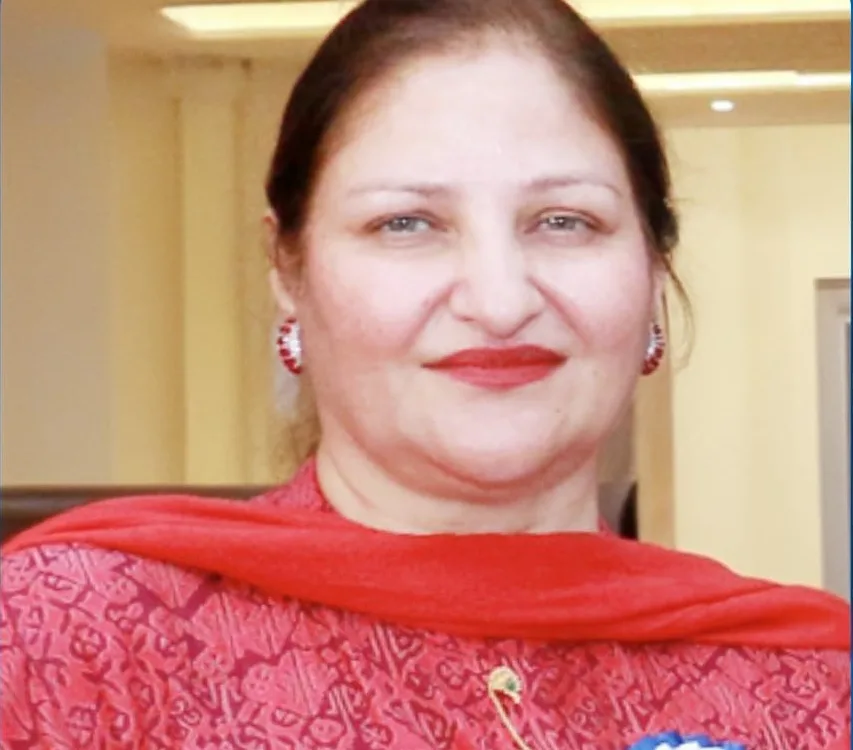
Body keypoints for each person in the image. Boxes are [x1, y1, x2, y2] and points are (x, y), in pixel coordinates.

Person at [2, 0, 849, 748]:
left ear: (654, 265)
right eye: (405, 223)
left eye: (564, 221)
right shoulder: (67, 641)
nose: (499, 300)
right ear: (288, 268)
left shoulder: (809, 686)